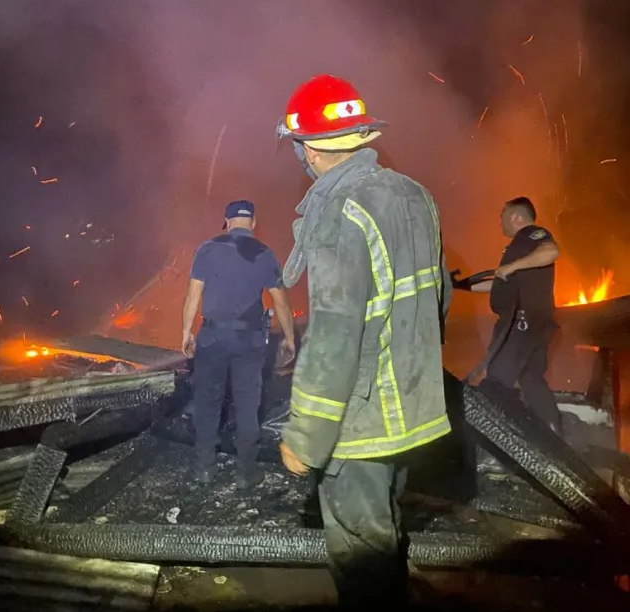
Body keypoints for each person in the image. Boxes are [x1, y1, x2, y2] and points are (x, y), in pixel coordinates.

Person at [275, 74, 453, 607]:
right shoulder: (415, 194)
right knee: (387, 528)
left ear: (310, 148)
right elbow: (439, 296)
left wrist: (304, 436)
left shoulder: (340, 210)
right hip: (410, 410)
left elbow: (333, 333)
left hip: (362, 420)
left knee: (362, 557)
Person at [182, 199, 295, 489]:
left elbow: (193, 295)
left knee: (208, 402)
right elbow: (280, 301)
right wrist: (290, 337)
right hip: (249, 341)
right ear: (253, 223)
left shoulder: (207, 250)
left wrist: (186, 332)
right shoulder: (264, 253)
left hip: (212, 338)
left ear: (227, 221)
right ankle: (246, 473)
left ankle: (205, 469)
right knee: (247, 404)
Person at [456, 197, 562, 438]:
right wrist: (461, 286)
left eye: (502, 215)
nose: (500, 221)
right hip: (535, 324)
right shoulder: (521, 249)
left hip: (521, 323)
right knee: (531, 380)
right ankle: (554, 439)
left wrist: (511, 267)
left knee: (497, 381)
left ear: (515, 216)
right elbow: (499, 282)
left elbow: (552, 251)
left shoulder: (531, 235)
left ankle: (495, 441)